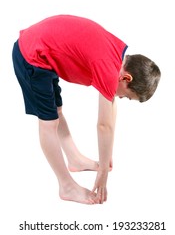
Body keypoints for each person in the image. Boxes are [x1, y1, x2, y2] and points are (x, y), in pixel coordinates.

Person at [12, 15, 161, 205]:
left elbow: (110, 110)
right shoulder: (108, 69)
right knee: (48, 122)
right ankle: (66, 186)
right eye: (126, 96)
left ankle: (74, 159)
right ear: (127, 78)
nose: (121, 97)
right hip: (30, 56)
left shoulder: (117, 56)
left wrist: (106, 158)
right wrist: (103, 173)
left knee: (56, 111)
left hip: (42, 50)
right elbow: (104, 125)